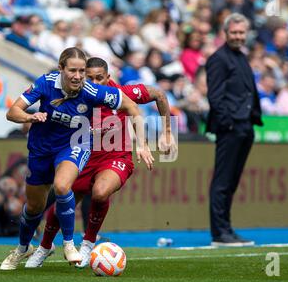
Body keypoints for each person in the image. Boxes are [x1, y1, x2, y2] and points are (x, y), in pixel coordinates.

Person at [0, 47, 154, 270]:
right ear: (61, 69)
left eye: (82, 71)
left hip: (74, 146)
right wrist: (30, 116)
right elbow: (12, 112)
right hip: (41, 149)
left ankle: (70, 244)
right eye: (73, 70)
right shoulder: (45, 83)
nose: (78, 76)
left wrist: (143, 143)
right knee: (34, 207)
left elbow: (131, 106)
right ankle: (24, 248)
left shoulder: (91, 91)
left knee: (63, 186)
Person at [24, 56, 176, 269]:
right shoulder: (76, 95)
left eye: (100, 78)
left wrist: (167, 132)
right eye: (90, 78)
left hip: (115, 157)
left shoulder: (120, 94)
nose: (95, 83)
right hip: (82, 157)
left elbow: (158, 94)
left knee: (100, 191)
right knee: (62, 203)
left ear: (108, 78)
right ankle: (44, 247)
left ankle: (88, 243)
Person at [205, 13, 263, 247]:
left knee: (232, 181)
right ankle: (220, 233)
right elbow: (215, 96)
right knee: (222, 181)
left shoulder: (240, 56)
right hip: (230, 127)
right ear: (225, 33)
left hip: (245, 125)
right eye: (234, 32)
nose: (238, 36)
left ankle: (227, 228)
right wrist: (229, 123)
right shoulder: (219, 59)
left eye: (241, 33)